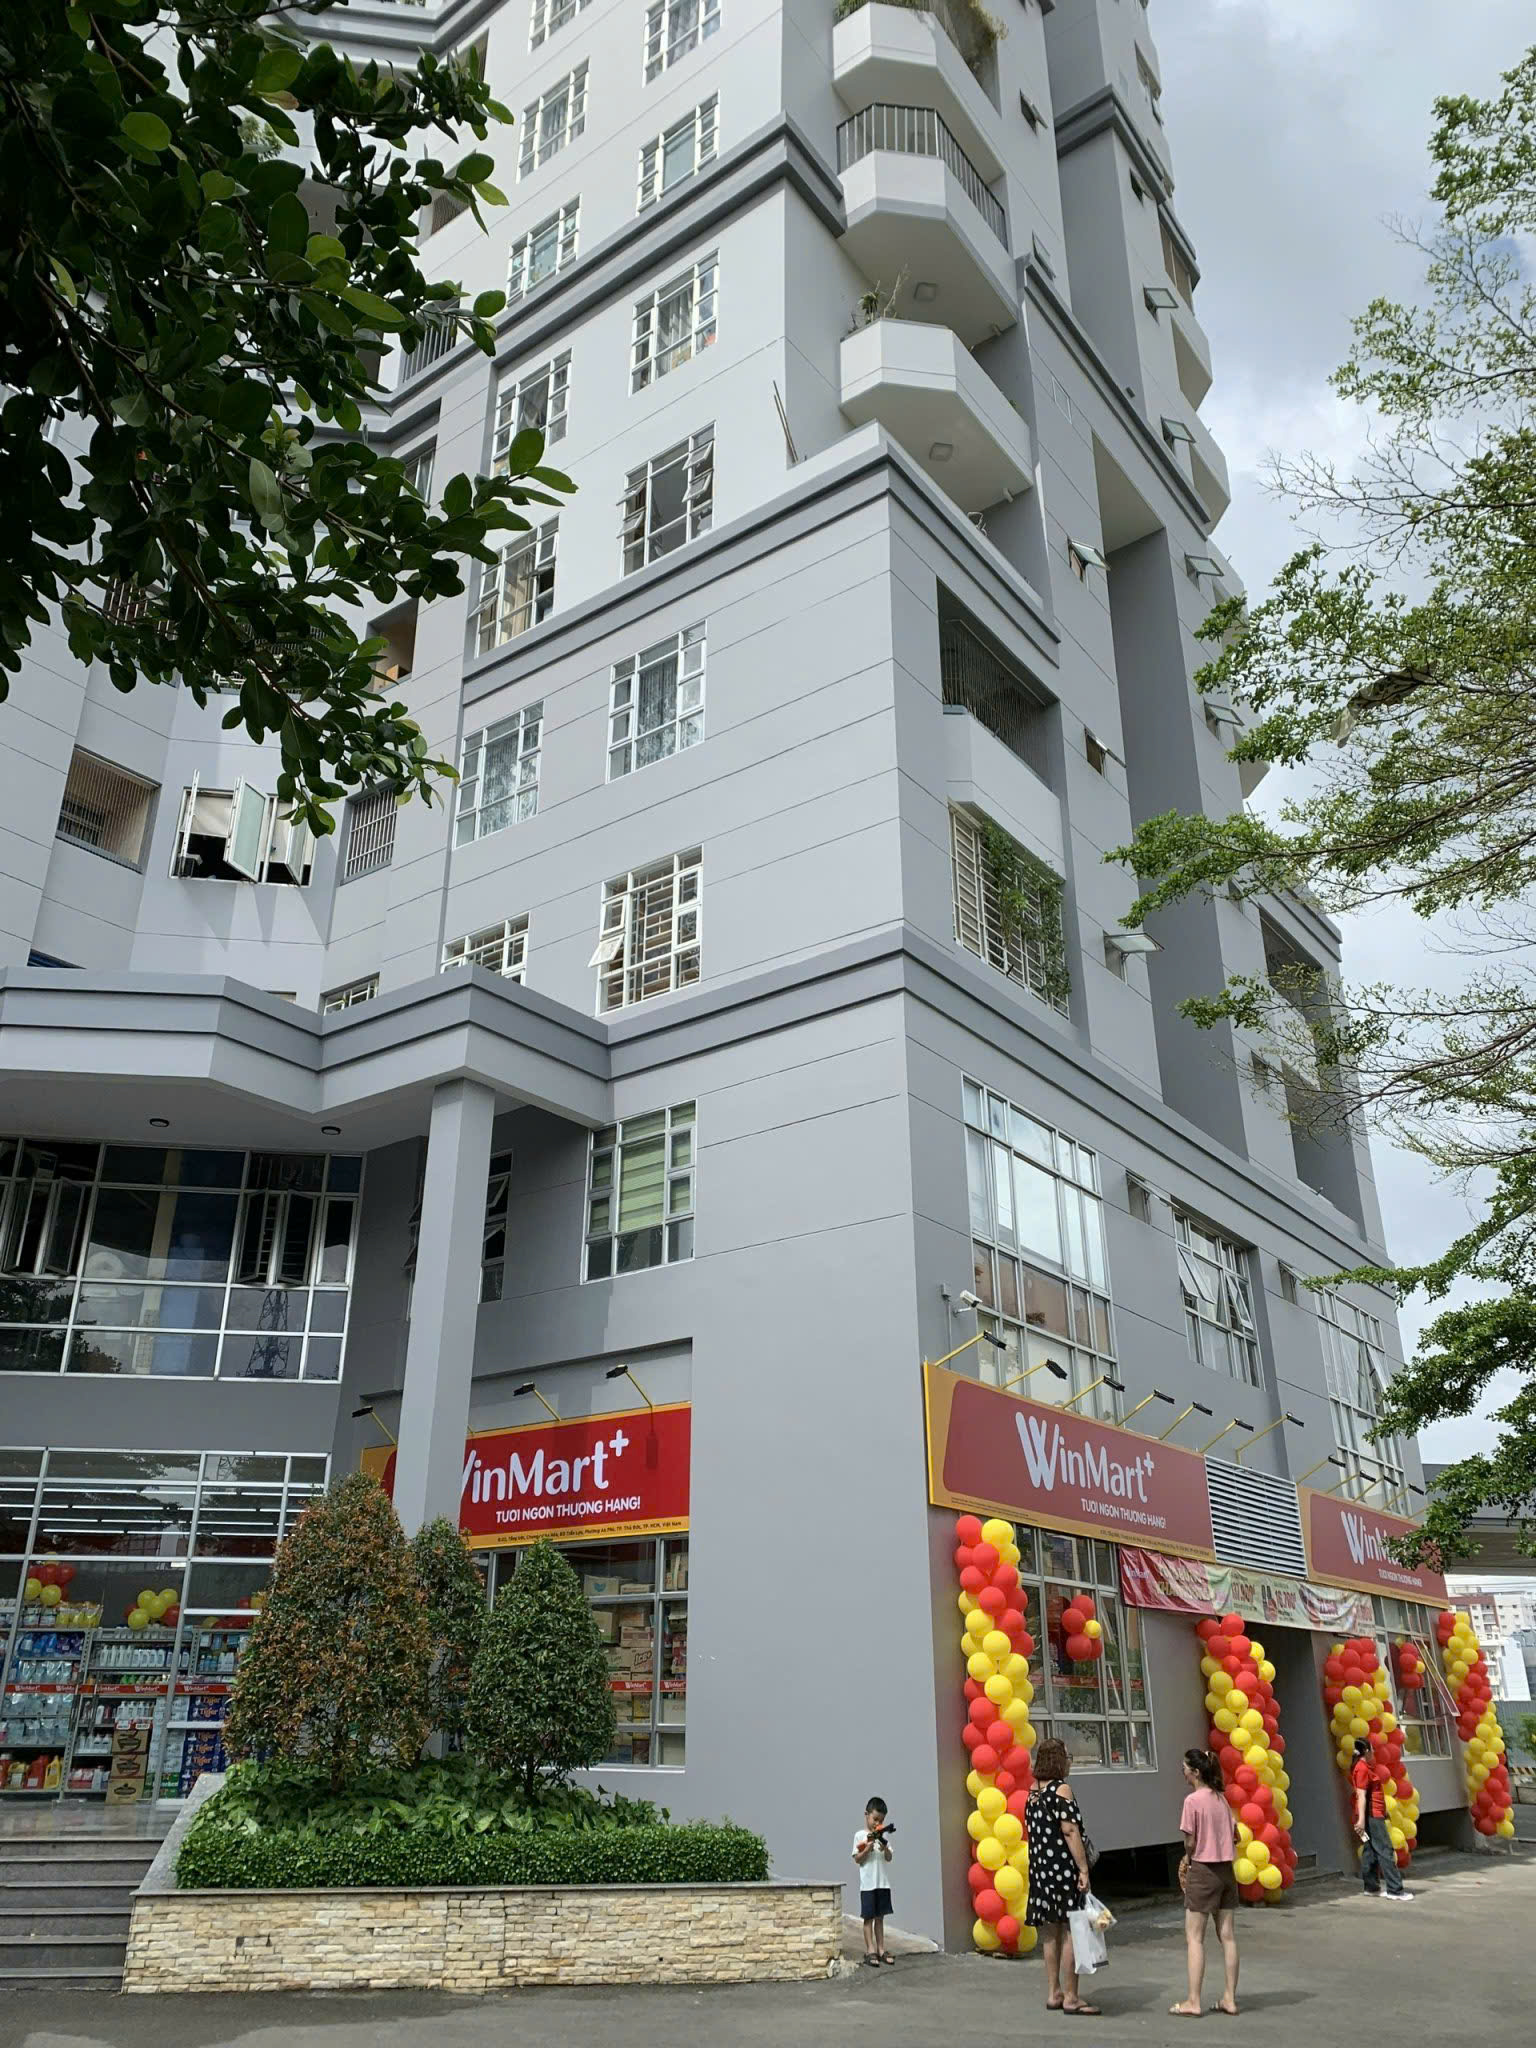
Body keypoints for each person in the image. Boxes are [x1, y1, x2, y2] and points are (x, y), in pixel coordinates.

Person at [1023, 1736, 1099, 2016]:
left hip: (1041, 1871)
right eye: (1067, 1756)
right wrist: (1083, 1868)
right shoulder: (1062, 1790)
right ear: (1058, 1760)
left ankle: (1053, 1992)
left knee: (1049, 1934)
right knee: (1072, 1931)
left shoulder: (1032, 1792)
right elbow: (1070, 1831)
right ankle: (1071, 1996)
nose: (1070, 1762)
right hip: (1063, 1871)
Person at [1170, 1747, 1240, 2018]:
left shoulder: (1192, 1801)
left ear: (1196, 1772)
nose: (1183, 1772)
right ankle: (1229, 1998)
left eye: (1185, 1768)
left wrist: (1188, 1860)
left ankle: (1193, 2001)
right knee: (1228, 1936)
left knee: (1195, 1938)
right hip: (1226, 1871)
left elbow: (1190, 1841)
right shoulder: (1221, 1799)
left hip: (1203, 1869)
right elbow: (1235, 1835)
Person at [1351, 1736, 1413, 1900]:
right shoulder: (1362, 1769)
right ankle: (1395, 1890)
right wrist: (1361, 1821)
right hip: (1372, 1818)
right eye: (1372, 1748)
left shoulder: (1363, 1767)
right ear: (1366, 1751)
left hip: (1372, 1816)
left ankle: (1371, 1887)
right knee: (1385, 1850)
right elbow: (1361, 1796)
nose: (1374, 1751)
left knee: (1369, 1850)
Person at [852, 1796, 895, 1965]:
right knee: (868, 1918)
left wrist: (885, 1848)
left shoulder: (883, 1837)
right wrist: (867, 1848)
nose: (877, 1823)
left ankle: (881, 1949)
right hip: (868, 1886)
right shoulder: (860, 1836)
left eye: (881, 1820)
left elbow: (889, 1858)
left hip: (882, 1884)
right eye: (875, 1819)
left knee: (880, 1918)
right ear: (866, 1815)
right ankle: (870, 1950)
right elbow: (857, 1859)